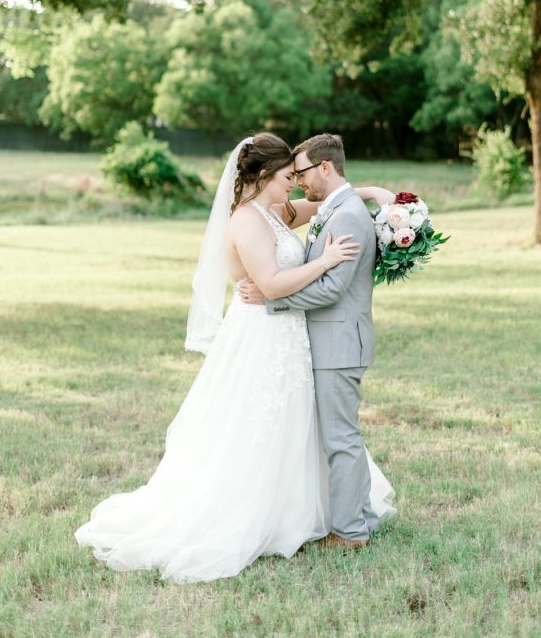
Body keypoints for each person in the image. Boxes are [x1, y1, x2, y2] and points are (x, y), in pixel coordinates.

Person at [75, 133, 394, 583]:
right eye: (288, 177)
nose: (295, 186)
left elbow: (327, 205)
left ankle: (304, 512)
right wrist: (325, 262)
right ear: (265, 177)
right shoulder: (245, 221)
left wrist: (371, 193)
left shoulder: (277, 211)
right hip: (261, 336)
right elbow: (272, 284)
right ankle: (255, 515)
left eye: (299, 176)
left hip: (291, 339)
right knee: (255, 427)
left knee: (297, 426)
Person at [240, 133, 394, 549]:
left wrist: (272, 301)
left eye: (302, 172)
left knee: (340, 439)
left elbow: (331, 290)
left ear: (325, 168)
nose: (297, 181)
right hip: (331, 341)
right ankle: (360, 516)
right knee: (343, 436)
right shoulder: (336, 207)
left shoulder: (345, 216)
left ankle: (348, 533)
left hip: (339, 342)